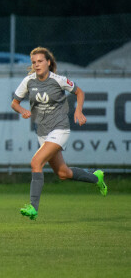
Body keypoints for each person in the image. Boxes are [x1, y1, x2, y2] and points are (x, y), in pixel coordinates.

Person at [11, 47, 107, 221]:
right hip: (42, 132)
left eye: (40, 61)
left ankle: (33, 207)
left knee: (35, 162)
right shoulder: (28, 81)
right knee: (63, 173)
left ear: (48, 62)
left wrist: (78, 111)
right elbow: (14, 103)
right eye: (34, 62)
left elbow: (79, 92)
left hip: (60, 128)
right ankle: (96, 178)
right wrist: (22, 110)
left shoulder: (58, 80)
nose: (37, 65)